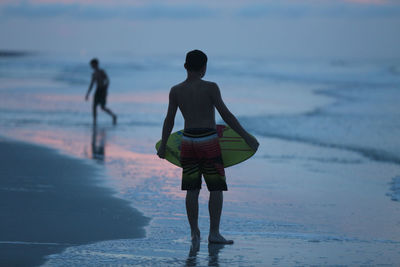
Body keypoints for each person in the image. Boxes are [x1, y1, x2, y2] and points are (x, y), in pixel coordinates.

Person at [157, 50, 259, 244]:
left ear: (186, 66)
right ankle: (214, 233)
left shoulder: (176, 90)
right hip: (208, 141)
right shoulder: (211, 88)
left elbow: (169, 120)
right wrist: (246, 137)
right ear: (204, 68)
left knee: (192, 190)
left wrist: (163, 145)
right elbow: (226, 115)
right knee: (215, 188)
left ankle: (194, 233)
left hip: (187, 141)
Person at [85, 58, 117, 126]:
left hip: (102, 90)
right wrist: (87, 94)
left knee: (102, 107)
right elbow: (92, 84)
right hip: (97, 90)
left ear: (96, 64)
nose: (91, 66)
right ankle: (94, 122)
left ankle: (113, 116)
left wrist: (105, 89)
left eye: (92, 64)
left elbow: (107, 80)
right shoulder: (93, 74)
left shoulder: (101, 71)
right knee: (94, 106)